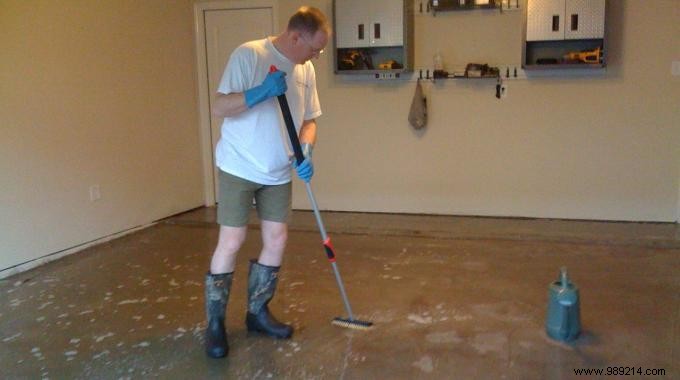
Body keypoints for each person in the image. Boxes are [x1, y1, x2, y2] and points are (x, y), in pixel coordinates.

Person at [204, 6, 330, 359]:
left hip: (277, 171)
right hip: (239, 166)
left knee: (277, 238)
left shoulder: (306, 70)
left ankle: (257, 312)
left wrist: (306, 147)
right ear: (295, 37)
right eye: (314, 48)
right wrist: (260, 92)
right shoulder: (249, 55)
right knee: (232, 240)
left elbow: (310, 120)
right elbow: (219, 107)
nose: (317, 55)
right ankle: (214, 324)